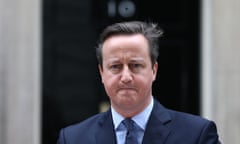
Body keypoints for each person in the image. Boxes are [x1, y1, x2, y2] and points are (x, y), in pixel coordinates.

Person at [57, 21, 221, 144]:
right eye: (115, 66)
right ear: (102, 73)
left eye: (136, 65)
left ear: (154, 70)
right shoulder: (72, 139)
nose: (126, 76)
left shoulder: (197, 135)